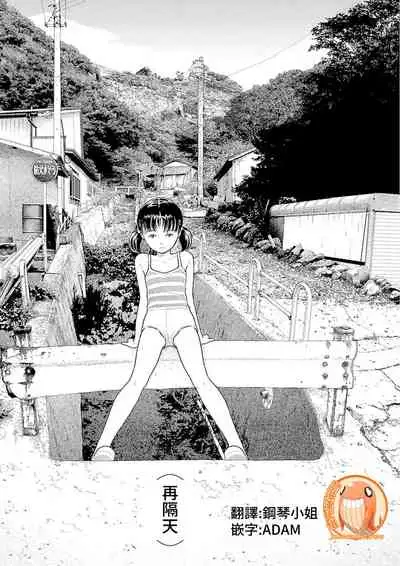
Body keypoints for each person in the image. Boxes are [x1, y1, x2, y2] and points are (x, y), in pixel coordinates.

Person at [92, 197, 247, 461]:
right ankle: (103, 446)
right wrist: (137, 336)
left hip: (182, 324)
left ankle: (234, 446)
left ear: (179, 231)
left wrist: (198, 331)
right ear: (142, 233)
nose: (161, 241)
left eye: (169, 233)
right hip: (153, 325)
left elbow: (189, 298)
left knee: (202, 380)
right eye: (153, 234)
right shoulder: (142, 261)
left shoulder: (185, 258)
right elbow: (144, 302)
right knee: (135, 381)